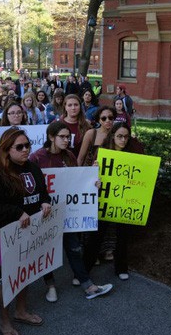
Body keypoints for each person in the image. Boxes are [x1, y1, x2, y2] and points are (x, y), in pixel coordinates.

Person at [29, 122, 114, 301]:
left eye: (68, 137)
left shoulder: (69, 156)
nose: (67, 140)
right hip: (46, 213)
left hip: (68, 212)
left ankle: (88, 285)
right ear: (51, 137)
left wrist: (92, 184)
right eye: (62, 137)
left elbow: (77, 181)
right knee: (48, 250)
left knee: (74, 248)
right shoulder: (36, 158)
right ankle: (50, 285)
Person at [0, 128, 49, 335]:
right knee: (9, 279)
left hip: (31, 232)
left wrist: (47, 201)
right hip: (6, 235)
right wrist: (16, 212)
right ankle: (5, 321)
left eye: (27, 145)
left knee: (25, 274)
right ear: (6, 149)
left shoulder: (34, 168)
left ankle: (20, 311)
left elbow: (42, 192)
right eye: (19, 147)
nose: (26, 149)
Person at [84, 122, 137, 280]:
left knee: (122, 235)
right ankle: (84, 270)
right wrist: (95, 176)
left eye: (126, 137)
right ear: (113, 136)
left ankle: (121, 268)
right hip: (104, 199)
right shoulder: (102, 154)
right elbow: (91, 179)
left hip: (123, 201)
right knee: (97, 236)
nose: (123, 140)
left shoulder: (132, 156)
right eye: (120, 136)